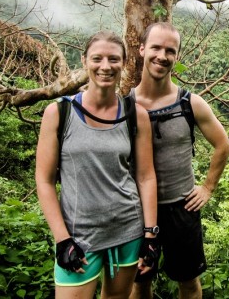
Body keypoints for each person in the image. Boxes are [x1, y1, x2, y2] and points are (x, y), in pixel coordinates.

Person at [35, 31, 159, 298]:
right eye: (97, 58)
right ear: (84, 61)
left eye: (113, 59)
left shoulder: (135, 114)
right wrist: (62, 239)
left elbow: (146, 176)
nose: (105, 66)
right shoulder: (59, 113)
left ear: (124, 63)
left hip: (128, 230)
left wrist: (151, 235)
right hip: (79, 237)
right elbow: (44, 181)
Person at [129, 22, 229, 299]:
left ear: (176, 57)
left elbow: (223, 145)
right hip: (137, 210)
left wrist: (208, 187)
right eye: (156, 48)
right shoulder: (126, 105)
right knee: (139, 282)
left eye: (170, 51)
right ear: (141, 50)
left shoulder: (190, 103)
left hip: (181, 207)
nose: (162, 56)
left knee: (188, 282)